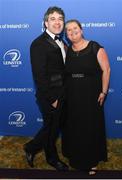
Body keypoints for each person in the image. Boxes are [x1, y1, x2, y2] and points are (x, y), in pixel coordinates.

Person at [62, 19, 110, 174]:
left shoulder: (95, 47)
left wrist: (103, 92)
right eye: (68, 30)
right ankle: (76, 158)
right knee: (75, 127)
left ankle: (92, 161)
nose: (72, 31)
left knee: (90, 128)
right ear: (66, 34)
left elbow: (106, 70)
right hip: (72, 95)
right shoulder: (67, 50)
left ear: (81, 30)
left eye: (75, 28)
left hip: (91, 95)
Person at [23, 6, 68, 171]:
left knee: (52, 127)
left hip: (63, 93)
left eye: (60, 19)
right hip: (50, 96)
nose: (57, 22)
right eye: (53, 18)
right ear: (45, 22)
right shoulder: (38, 44)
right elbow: (39, 76)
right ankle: (52, 158)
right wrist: (52, 99)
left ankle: (31, 147)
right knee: (52, 128)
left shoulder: (62, 41)